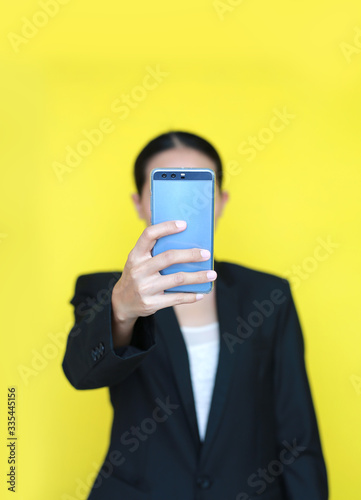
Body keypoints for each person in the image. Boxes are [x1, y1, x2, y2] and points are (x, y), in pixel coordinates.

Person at [62, 131, 328, 500]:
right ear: (139, 203)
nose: (185, 208)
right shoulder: (106, 291)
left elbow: (297, 429)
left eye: (201, 190)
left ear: (220, 202)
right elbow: (79, 373)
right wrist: (121, 308)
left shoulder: (268, 295)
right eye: (166, 190)